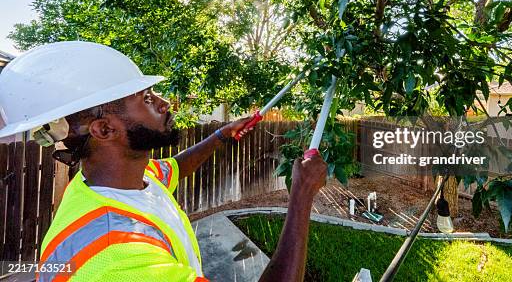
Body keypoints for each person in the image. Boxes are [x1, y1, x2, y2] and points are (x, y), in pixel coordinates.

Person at [0, 41, 326, 281]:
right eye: (145, 98)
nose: (164, 102)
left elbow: (175, 168)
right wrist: (301, 194)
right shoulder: (117, 255)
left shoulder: (113, 181)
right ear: (104, 128)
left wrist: (221, 136)